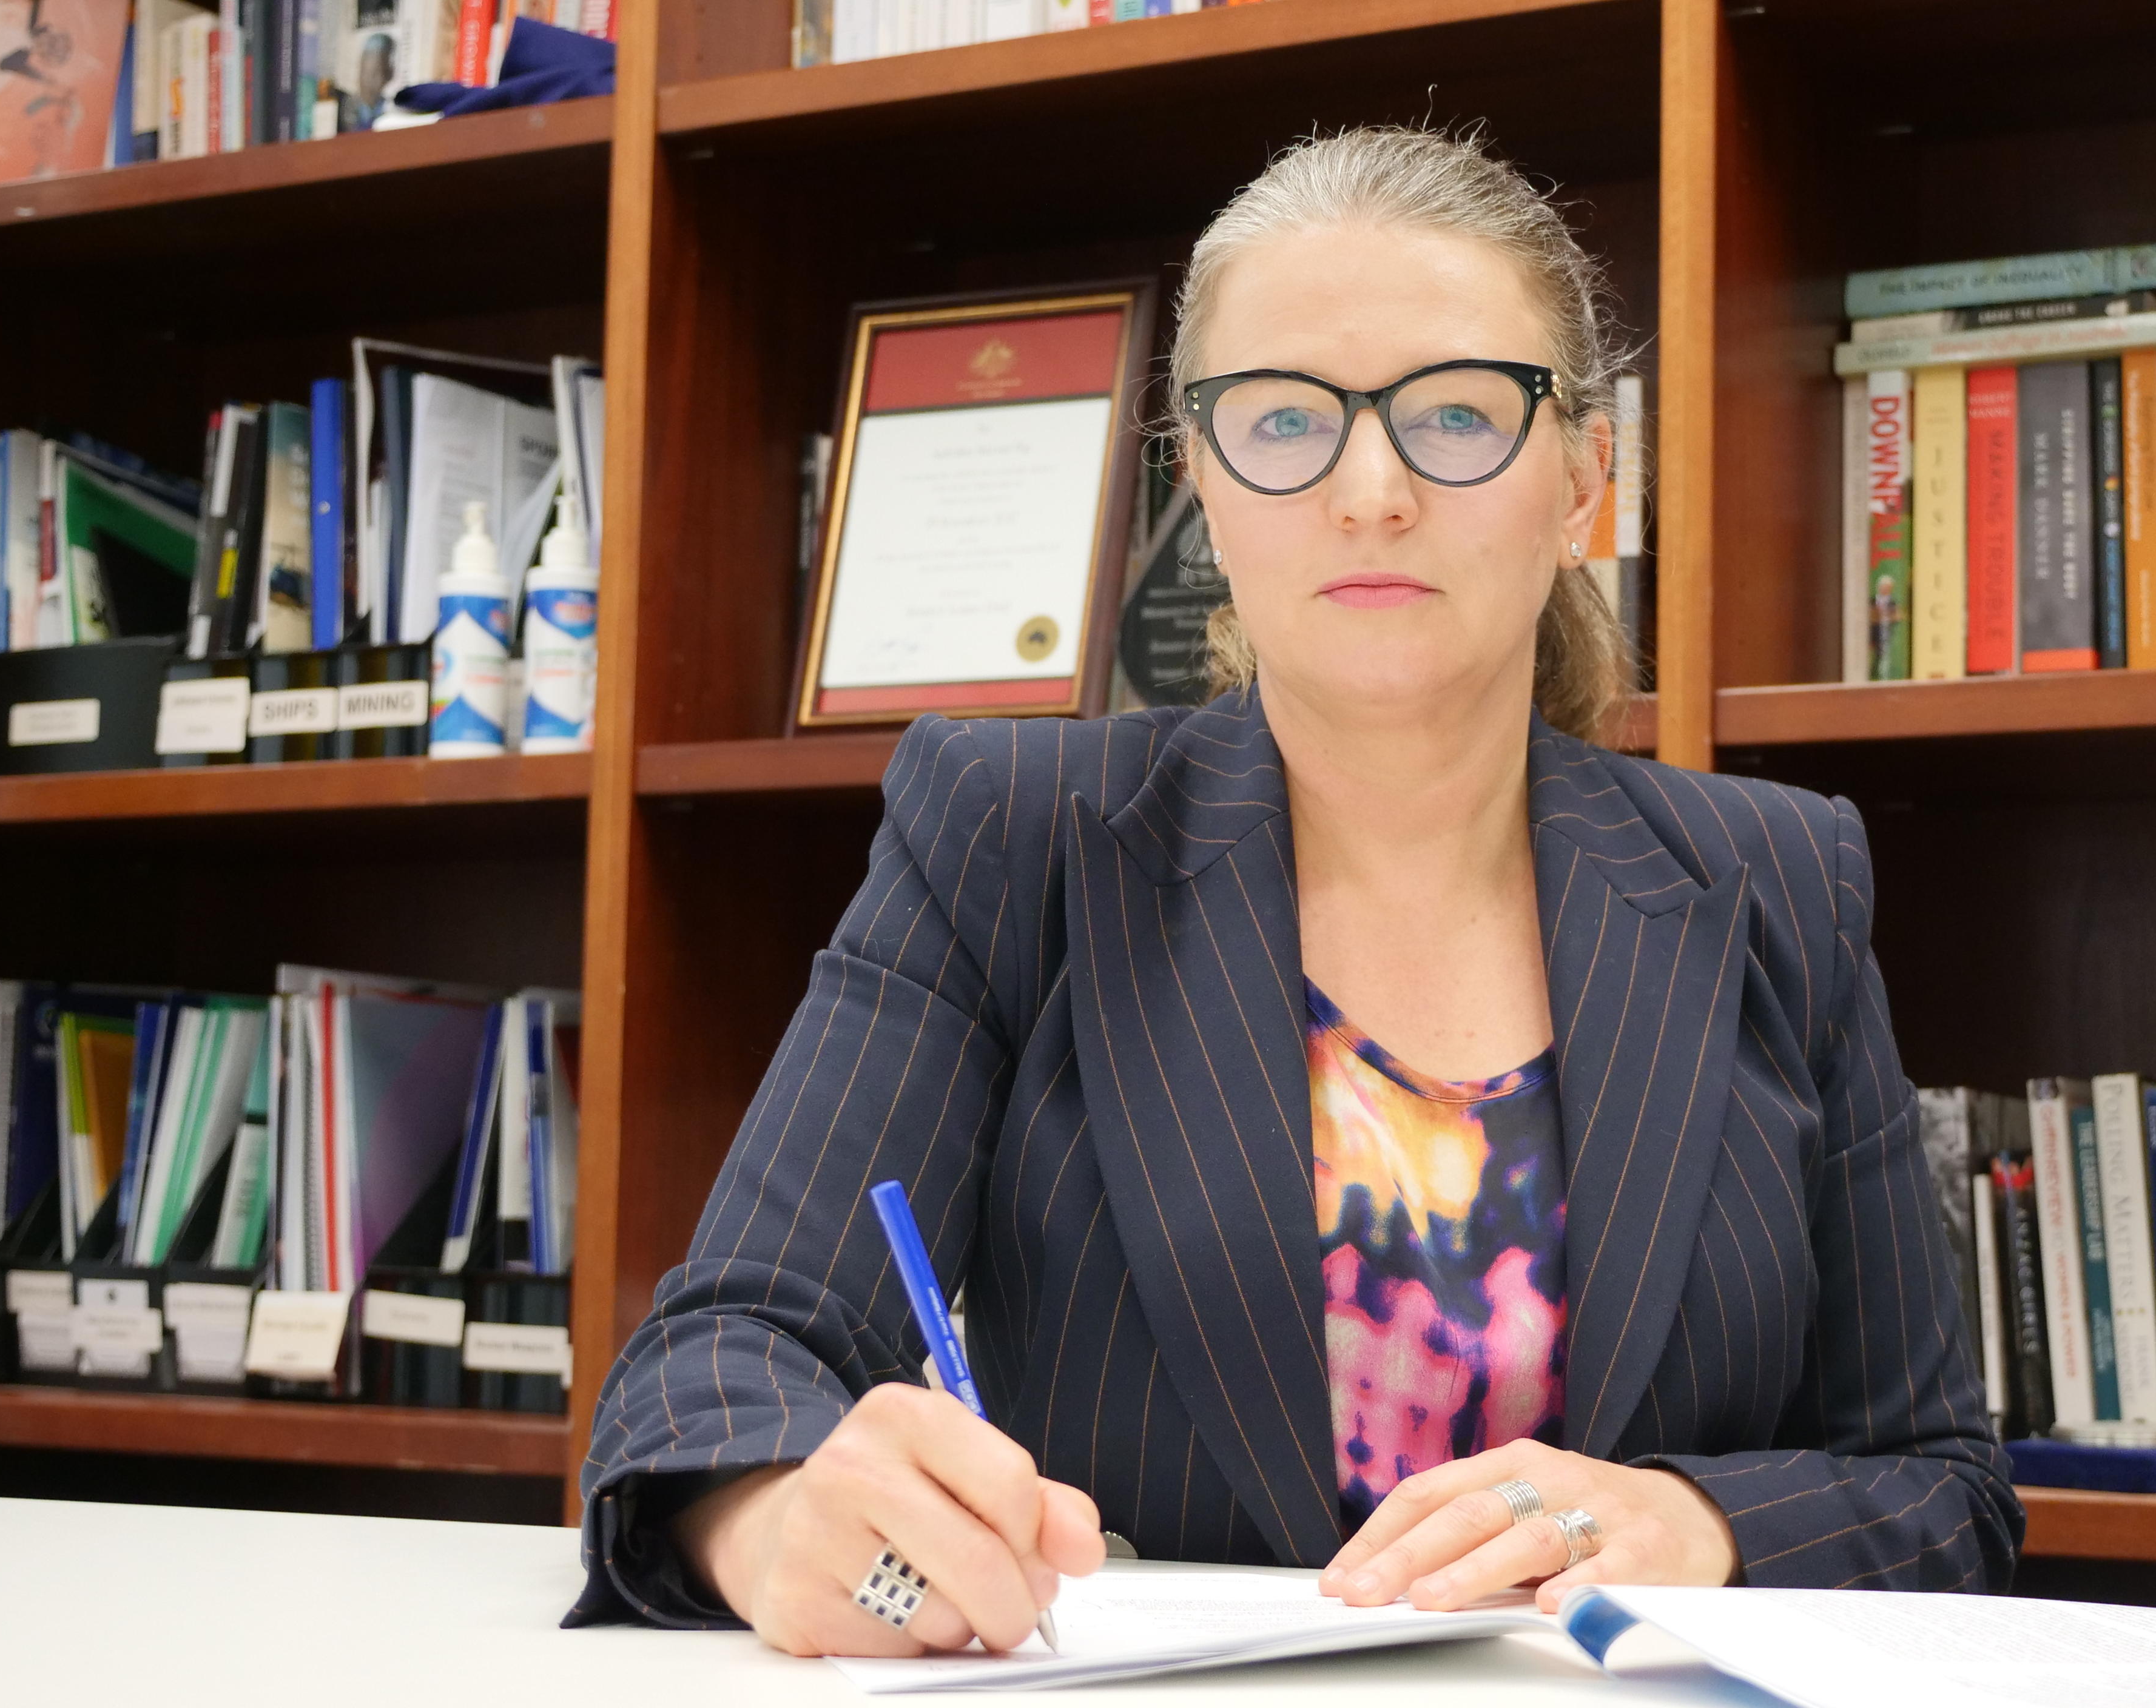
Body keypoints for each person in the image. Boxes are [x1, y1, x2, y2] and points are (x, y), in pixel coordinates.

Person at [568, 123, 2021, 1658]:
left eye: (1459, 414)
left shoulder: (1778, 881)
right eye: (1283, 422)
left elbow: (1939, 1491)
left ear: (1587, 476)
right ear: (1200, 475)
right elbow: (719, 1353)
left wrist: (1701, 1522)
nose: (1372, 490)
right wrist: (781, 1515)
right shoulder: (1015, 832)